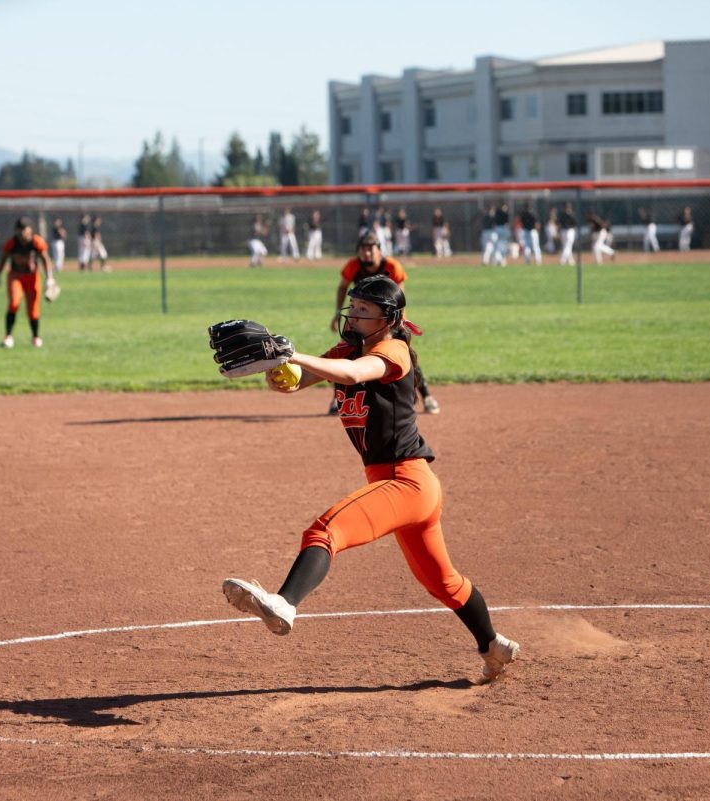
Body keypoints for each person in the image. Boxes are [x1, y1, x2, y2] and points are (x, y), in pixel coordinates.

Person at [221, 274, 520, 683]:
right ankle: (494, 647)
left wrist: (296, 354)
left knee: (325, 531)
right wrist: (281, 369)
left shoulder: (394, 351)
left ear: (389, 319)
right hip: (407, 485)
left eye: (365, 310)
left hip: (406, 481)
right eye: (354, 306)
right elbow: (305, 379)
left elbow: (352, 373)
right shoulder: (347, 348)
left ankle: (285, 603)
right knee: (444, 583)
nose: (355, 314)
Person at [329, 230, 440, 415]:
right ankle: (337, 399)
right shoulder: (353, 266)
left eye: (371, 249)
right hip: (360, 317)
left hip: (388, 320)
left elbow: (400, 298)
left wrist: (399, 324)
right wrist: (337, 313)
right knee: (345, 352)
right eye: (363, 249)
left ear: (379, 250)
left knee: (405, 356)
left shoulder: (392, 266)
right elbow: (342, 287)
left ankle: (426, 396)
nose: (367, 253)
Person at [0, 216, 54, 349]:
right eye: (19, 229)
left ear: (30, 229)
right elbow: (3, 259)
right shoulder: (12, 243)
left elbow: (45, 259)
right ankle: (8, 336)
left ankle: (36, 337)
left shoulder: (37, 242)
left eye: (24, 229)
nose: (22, 232)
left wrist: (50, 278)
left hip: (32, 277)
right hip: (16, 276)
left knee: (33, 309)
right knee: (14, 303)